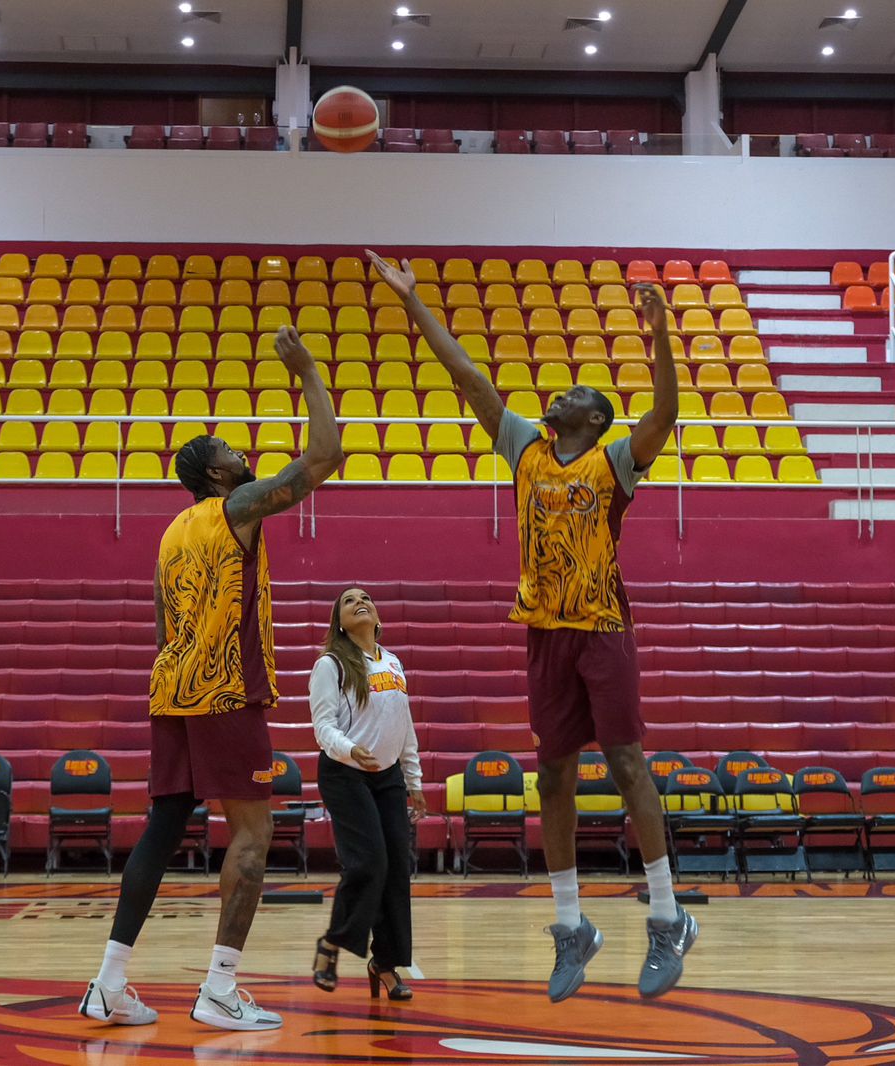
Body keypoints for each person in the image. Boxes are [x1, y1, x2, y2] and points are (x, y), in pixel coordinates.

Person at [366, 250, 695, 1003]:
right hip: (545, 629)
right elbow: (467, 378)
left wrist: (661, 333)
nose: (561, 390)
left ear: (596, 418)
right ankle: (572, 925)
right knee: (550, 775)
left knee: (626, 762)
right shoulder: (526, 446)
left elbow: (667, 414)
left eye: (578, 390)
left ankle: (668, 915)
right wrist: (415, 303)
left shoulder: (615, 459)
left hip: (603, 626)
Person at [79, 325, 342, 1031]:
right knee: (253, 836)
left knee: (162, 830)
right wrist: (309, 369)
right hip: (226, 692)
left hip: (172, 690)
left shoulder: (171, 534)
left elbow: (166, 630)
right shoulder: (237, 509)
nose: (241, 452)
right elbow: (324, 456)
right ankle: (220, 987)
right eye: (230, 450)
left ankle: (108, 982)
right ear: (217, 473)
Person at [307, 586, 425, 1001]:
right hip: (345, 774)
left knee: (396, 867)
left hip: (388, 776)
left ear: (377, 617)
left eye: (366, 598)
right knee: (368, 861)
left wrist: (414, 781)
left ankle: (386, 964)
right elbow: (323, 727)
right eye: (348, 600)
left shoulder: (393, 662)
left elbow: (404, 726)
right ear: (339, 621)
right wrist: (348, 749)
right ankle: (332, 945)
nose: (359, 601)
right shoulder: (331, 664)